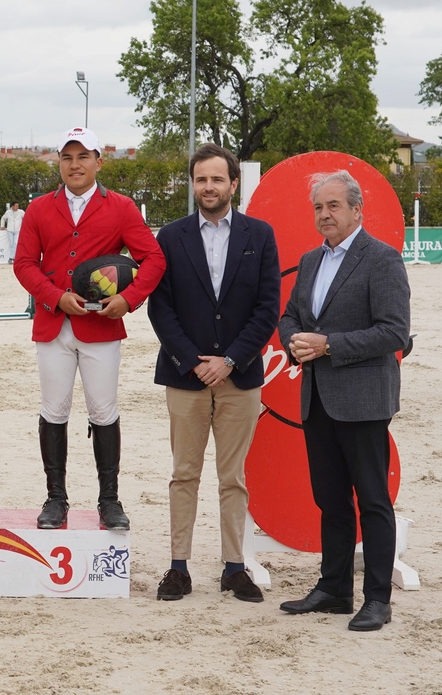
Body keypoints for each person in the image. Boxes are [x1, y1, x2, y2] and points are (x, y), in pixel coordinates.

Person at [147, 143, 281, 604]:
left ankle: (234, 567)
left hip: (240, 376)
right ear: (192, 183)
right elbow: (160, 308)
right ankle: (178, 567)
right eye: (201, 179)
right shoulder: (170, 236)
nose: (209, 187)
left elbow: (268, 309)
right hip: (185, 376)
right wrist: (193, 361)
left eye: (217, 179)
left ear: (233, 184)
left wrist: (230, 360)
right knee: (184, 474)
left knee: (234, 477)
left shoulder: (260, 235)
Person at [13, 127, 166, 530]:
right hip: (54, 325)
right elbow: (24, 264)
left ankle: (109, 500)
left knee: (103, 410)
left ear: (99, 161)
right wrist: (53, 296)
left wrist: (128, 300)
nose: (75, 164)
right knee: (54, 409)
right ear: (59, 163)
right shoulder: (39, 208)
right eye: (67, 157)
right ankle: (55, 498)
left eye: (83, 156)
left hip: (101, 327)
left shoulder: (121, 207)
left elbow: (153, 259)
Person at [278, 170, 411, 632]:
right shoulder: (311, 260)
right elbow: (292, 313)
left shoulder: (382, 259)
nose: (324, 215)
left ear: (357, 209)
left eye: (333, 206)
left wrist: (328, 345)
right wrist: (293, 339)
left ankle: (377, 599)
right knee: (330, 499)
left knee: (373, 501)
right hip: (317, 397)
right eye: (318, 207)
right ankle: (334, 589)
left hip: (364, 399)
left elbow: (393, 331)